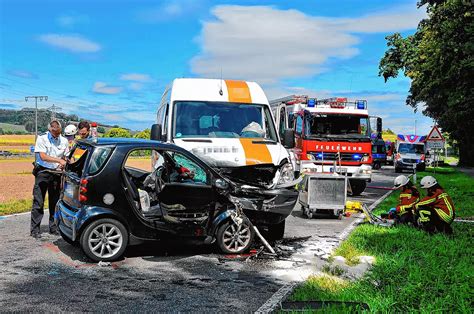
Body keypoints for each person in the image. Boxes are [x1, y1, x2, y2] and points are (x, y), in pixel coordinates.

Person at [31, 120, 68, 239]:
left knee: (54, 202)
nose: (56, 135)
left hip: (56, 173)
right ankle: (35, 229)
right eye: (54, 133)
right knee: (39, 202)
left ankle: (53, 227)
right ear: (50, 130)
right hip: (43, 172)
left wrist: (64, 162)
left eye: (58, 133)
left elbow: (65, 156)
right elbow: (42, 156)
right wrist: (58, 160)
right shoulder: (42, 139)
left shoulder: (64, 141)